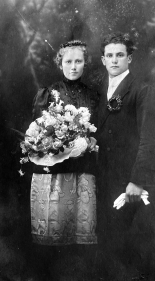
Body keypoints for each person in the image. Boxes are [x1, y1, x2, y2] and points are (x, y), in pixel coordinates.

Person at [27, 40, 98, 280]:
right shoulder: (48, 93)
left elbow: (96, 133)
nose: (74, 66)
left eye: (79, 61)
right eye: (68, 61)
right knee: (54, 237)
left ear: (85, 63)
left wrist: (89, 143)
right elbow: (36, 138)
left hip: (83, 173)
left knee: (80, 240)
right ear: (60, 63)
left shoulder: (93, 95)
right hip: (54, 176)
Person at [96, 33, 155, 279]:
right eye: (109, 56)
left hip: (125, 180)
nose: (114, 60)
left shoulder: (141, 90)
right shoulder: (99, 90)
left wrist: (137, 179)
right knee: (101, 242)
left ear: (129, 58)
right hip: (99, 177)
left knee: (116, 243)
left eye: (120, 55)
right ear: (103, 60)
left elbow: (150, 137)